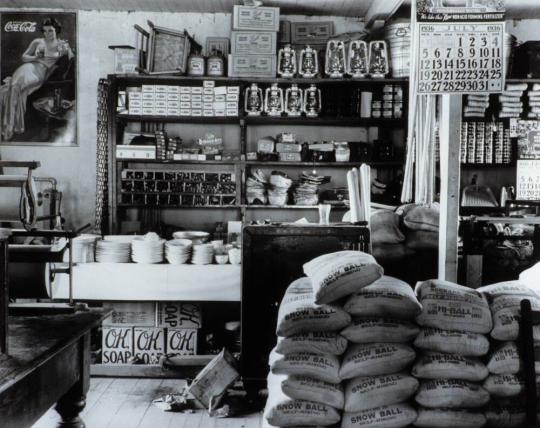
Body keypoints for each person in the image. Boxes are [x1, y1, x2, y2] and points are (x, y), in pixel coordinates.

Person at [0, 17, 74, 140]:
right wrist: (36, 57)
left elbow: (71, 57)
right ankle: (9, 126)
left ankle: (10, 126)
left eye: (50, 30)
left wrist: (67, 51)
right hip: (28, 67)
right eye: (45, 31)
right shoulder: (37, 41)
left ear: (56, 30)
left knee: (15, 89)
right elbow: (24, 57)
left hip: (40, 74)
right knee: (14, 87)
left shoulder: (62, 44)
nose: (47, 34)